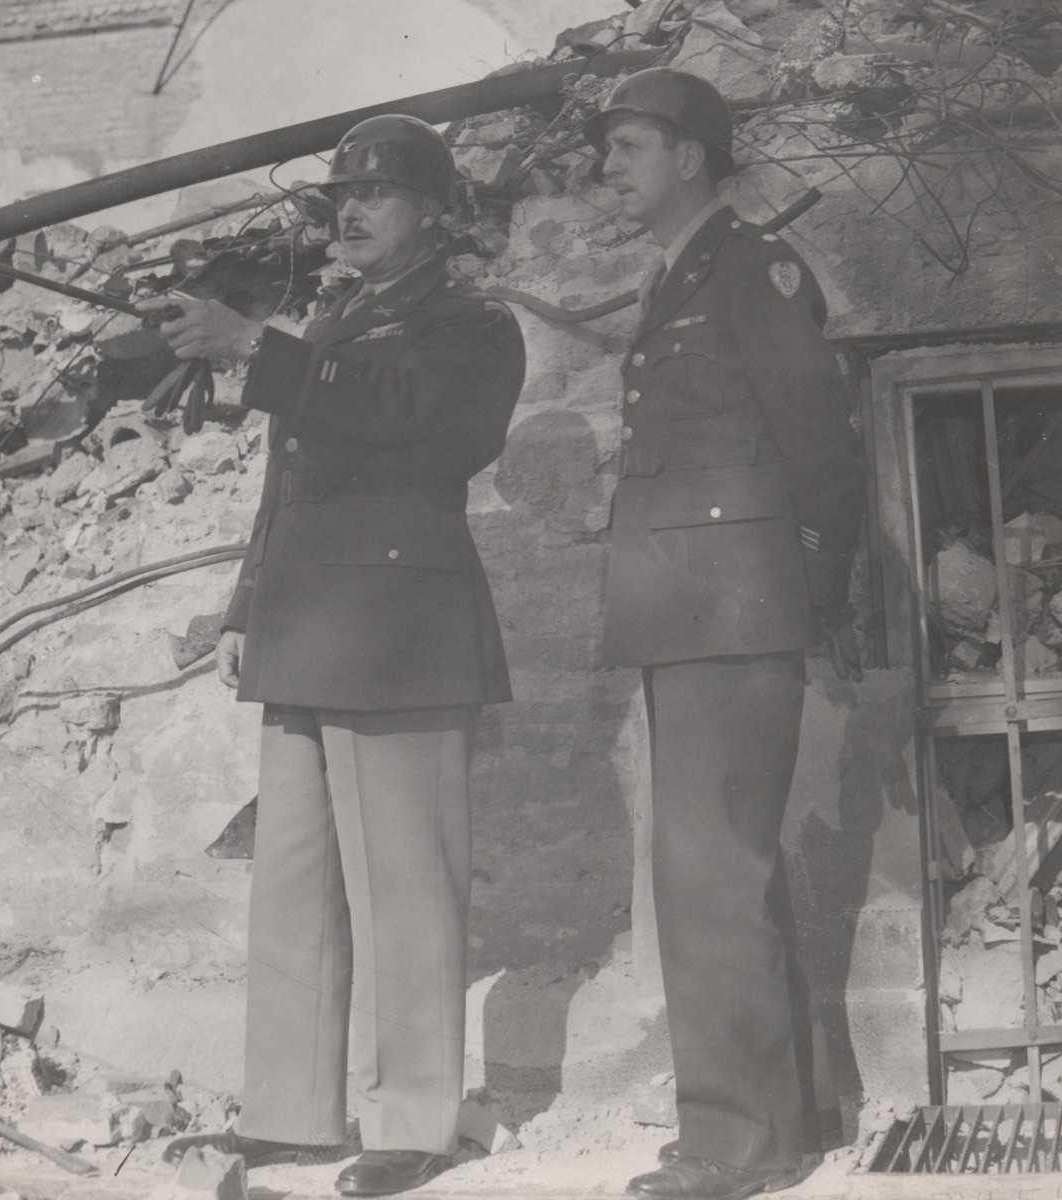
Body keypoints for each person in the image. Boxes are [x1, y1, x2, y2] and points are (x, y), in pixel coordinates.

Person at [140, 115, 525, 1197]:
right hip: (307, 620)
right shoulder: (338, 317)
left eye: (378, 197)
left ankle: (412, 1121)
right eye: (338, 200)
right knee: (296, 882)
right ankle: (294, 1111)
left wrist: (260, 351)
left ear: (437, 214)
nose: (348, 214)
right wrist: (244, 607)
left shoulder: (471, 322)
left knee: (406, 885)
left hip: (399, 632)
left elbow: (418, 421)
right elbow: (290, 484)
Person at [580, 68, 865, 1200]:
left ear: (691, 155)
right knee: (722, 869)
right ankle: (786, 1118)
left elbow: (823, 448)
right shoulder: (679, 278)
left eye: (630, 146)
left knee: (709, 872)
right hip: (694, 605)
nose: (610, 168)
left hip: (736, 605)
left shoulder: (751, 270)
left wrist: (813, 591)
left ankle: (735, 1145)